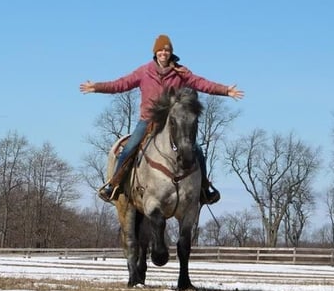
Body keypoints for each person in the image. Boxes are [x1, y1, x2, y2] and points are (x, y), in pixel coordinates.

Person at [80, 34, 244, 204]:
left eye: (166, 50)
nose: (163, 53)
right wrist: (96, 87)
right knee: (129, 148)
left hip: (173, 123)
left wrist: (225, 91)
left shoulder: (180, 72)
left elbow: (201, 83)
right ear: (155, 52)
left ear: (171, 52)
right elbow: (120, 84)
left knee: (197, 150)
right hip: (148, 121)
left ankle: (204, 188)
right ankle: (114, 185)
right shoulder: (144, 71)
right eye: (160, 50)